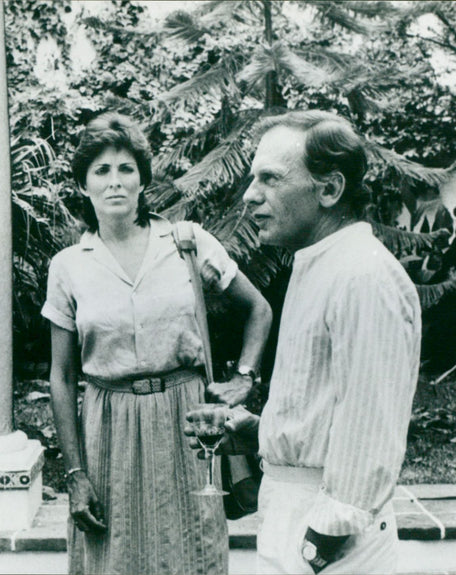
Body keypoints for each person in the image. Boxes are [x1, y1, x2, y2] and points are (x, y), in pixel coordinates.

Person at [189, 110, 422, 574]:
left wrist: (323, 539)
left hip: (331, 538)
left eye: (270, 179)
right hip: (296, 516)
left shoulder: (362, 275)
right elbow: (326, 402)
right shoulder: (320, 263)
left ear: (330, 189)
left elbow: (370, 422)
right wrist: (261, 430)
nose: (249, 196)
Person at [42, 112, 272, 574]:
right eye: (101, 171)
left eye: (126, 169)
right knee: (113, 555)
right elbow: (62, 378)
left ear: (142, 180)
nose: (115, 183)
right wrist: (75, 474)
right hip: (109, 426)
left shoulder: (187, 243)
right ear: (84, 184)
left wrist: (243, 379)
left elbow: (258, 309)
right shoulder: (68, 266)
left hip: (187, 423)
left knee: (192, 550)